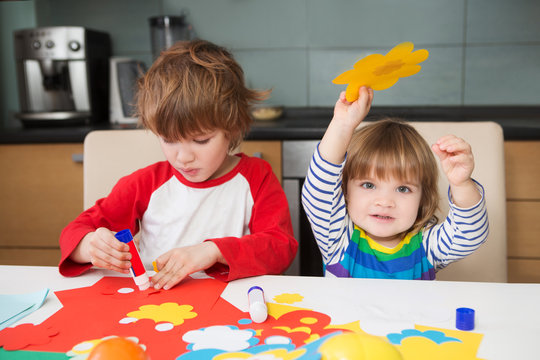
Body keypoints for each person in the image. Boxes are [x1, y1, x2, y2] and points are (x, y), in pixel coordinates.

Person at [59, 39, 298, 289]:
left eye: (201, 140)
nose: (183, 157)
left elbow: (281, 248)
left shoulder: (256, 177)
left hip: (233, 309)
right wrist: (89, 246)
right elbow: (74, 232)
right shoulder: (147, 184)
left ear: (233, 127)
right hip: (158, 308)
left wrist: (214, 251)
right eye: (169, 140)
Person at [302, 86, 488, 279]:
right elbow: (318, 193)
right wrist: (342, 125)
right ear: (345, 191)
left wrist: (462, 184)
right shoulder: (339, 239)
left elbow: (470, 233)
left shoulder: (427, 246)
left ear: (422, 199)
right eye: (368, 185)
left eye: (402, 189)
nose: (385, 202)